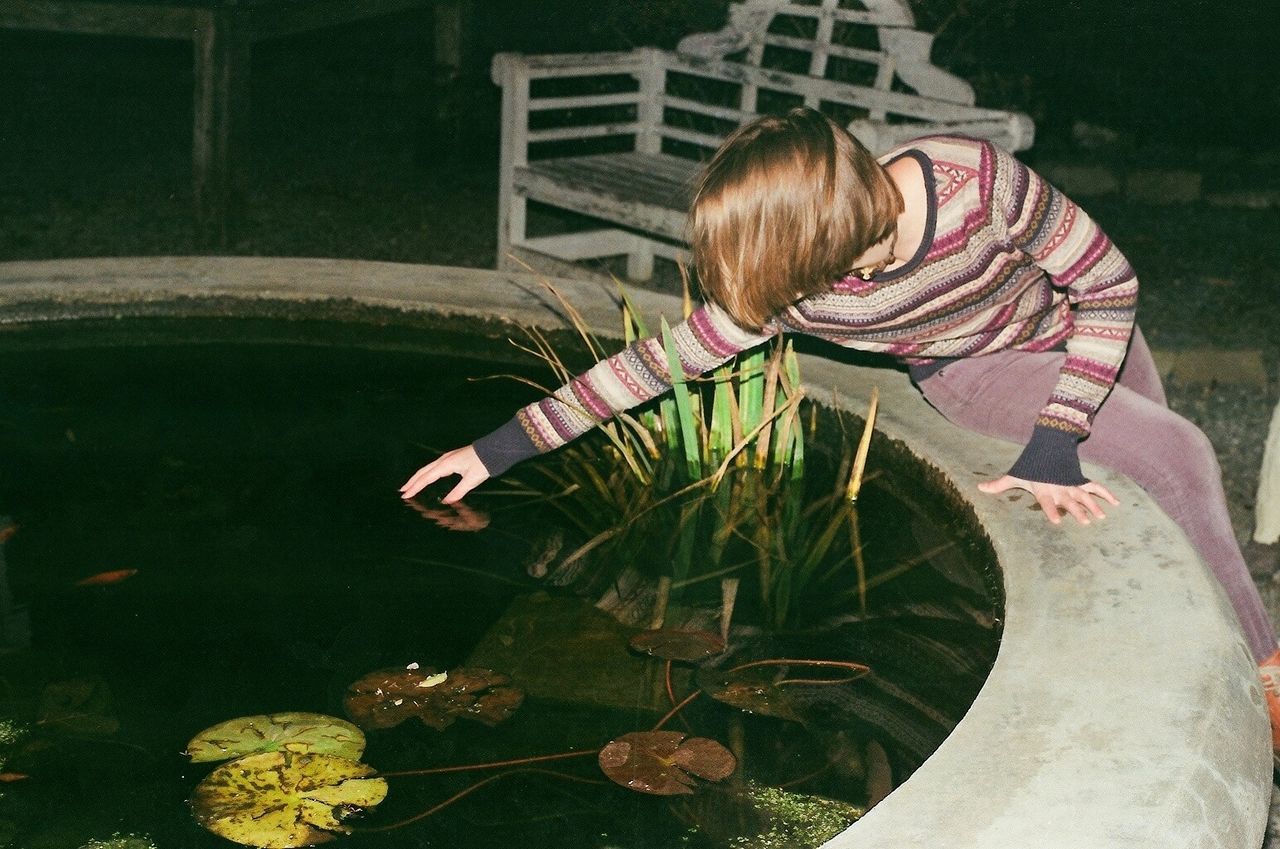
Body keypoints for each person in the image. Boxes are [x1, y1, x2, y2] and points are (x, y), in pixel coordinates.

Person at [400, 107, 1280, 754]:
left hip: (1077, 321)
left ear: (835, 228)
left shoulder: (974, 184)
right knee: (1184, 455)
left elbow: (1109, 286)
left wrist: (1059, 437)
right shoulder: (787, 285)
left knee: (1161, 486)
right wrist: (495, 447)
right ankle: (1267, 678)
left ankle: (1179, 658)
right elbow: (649, 366)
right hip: (976, 369)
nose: (779, 302)